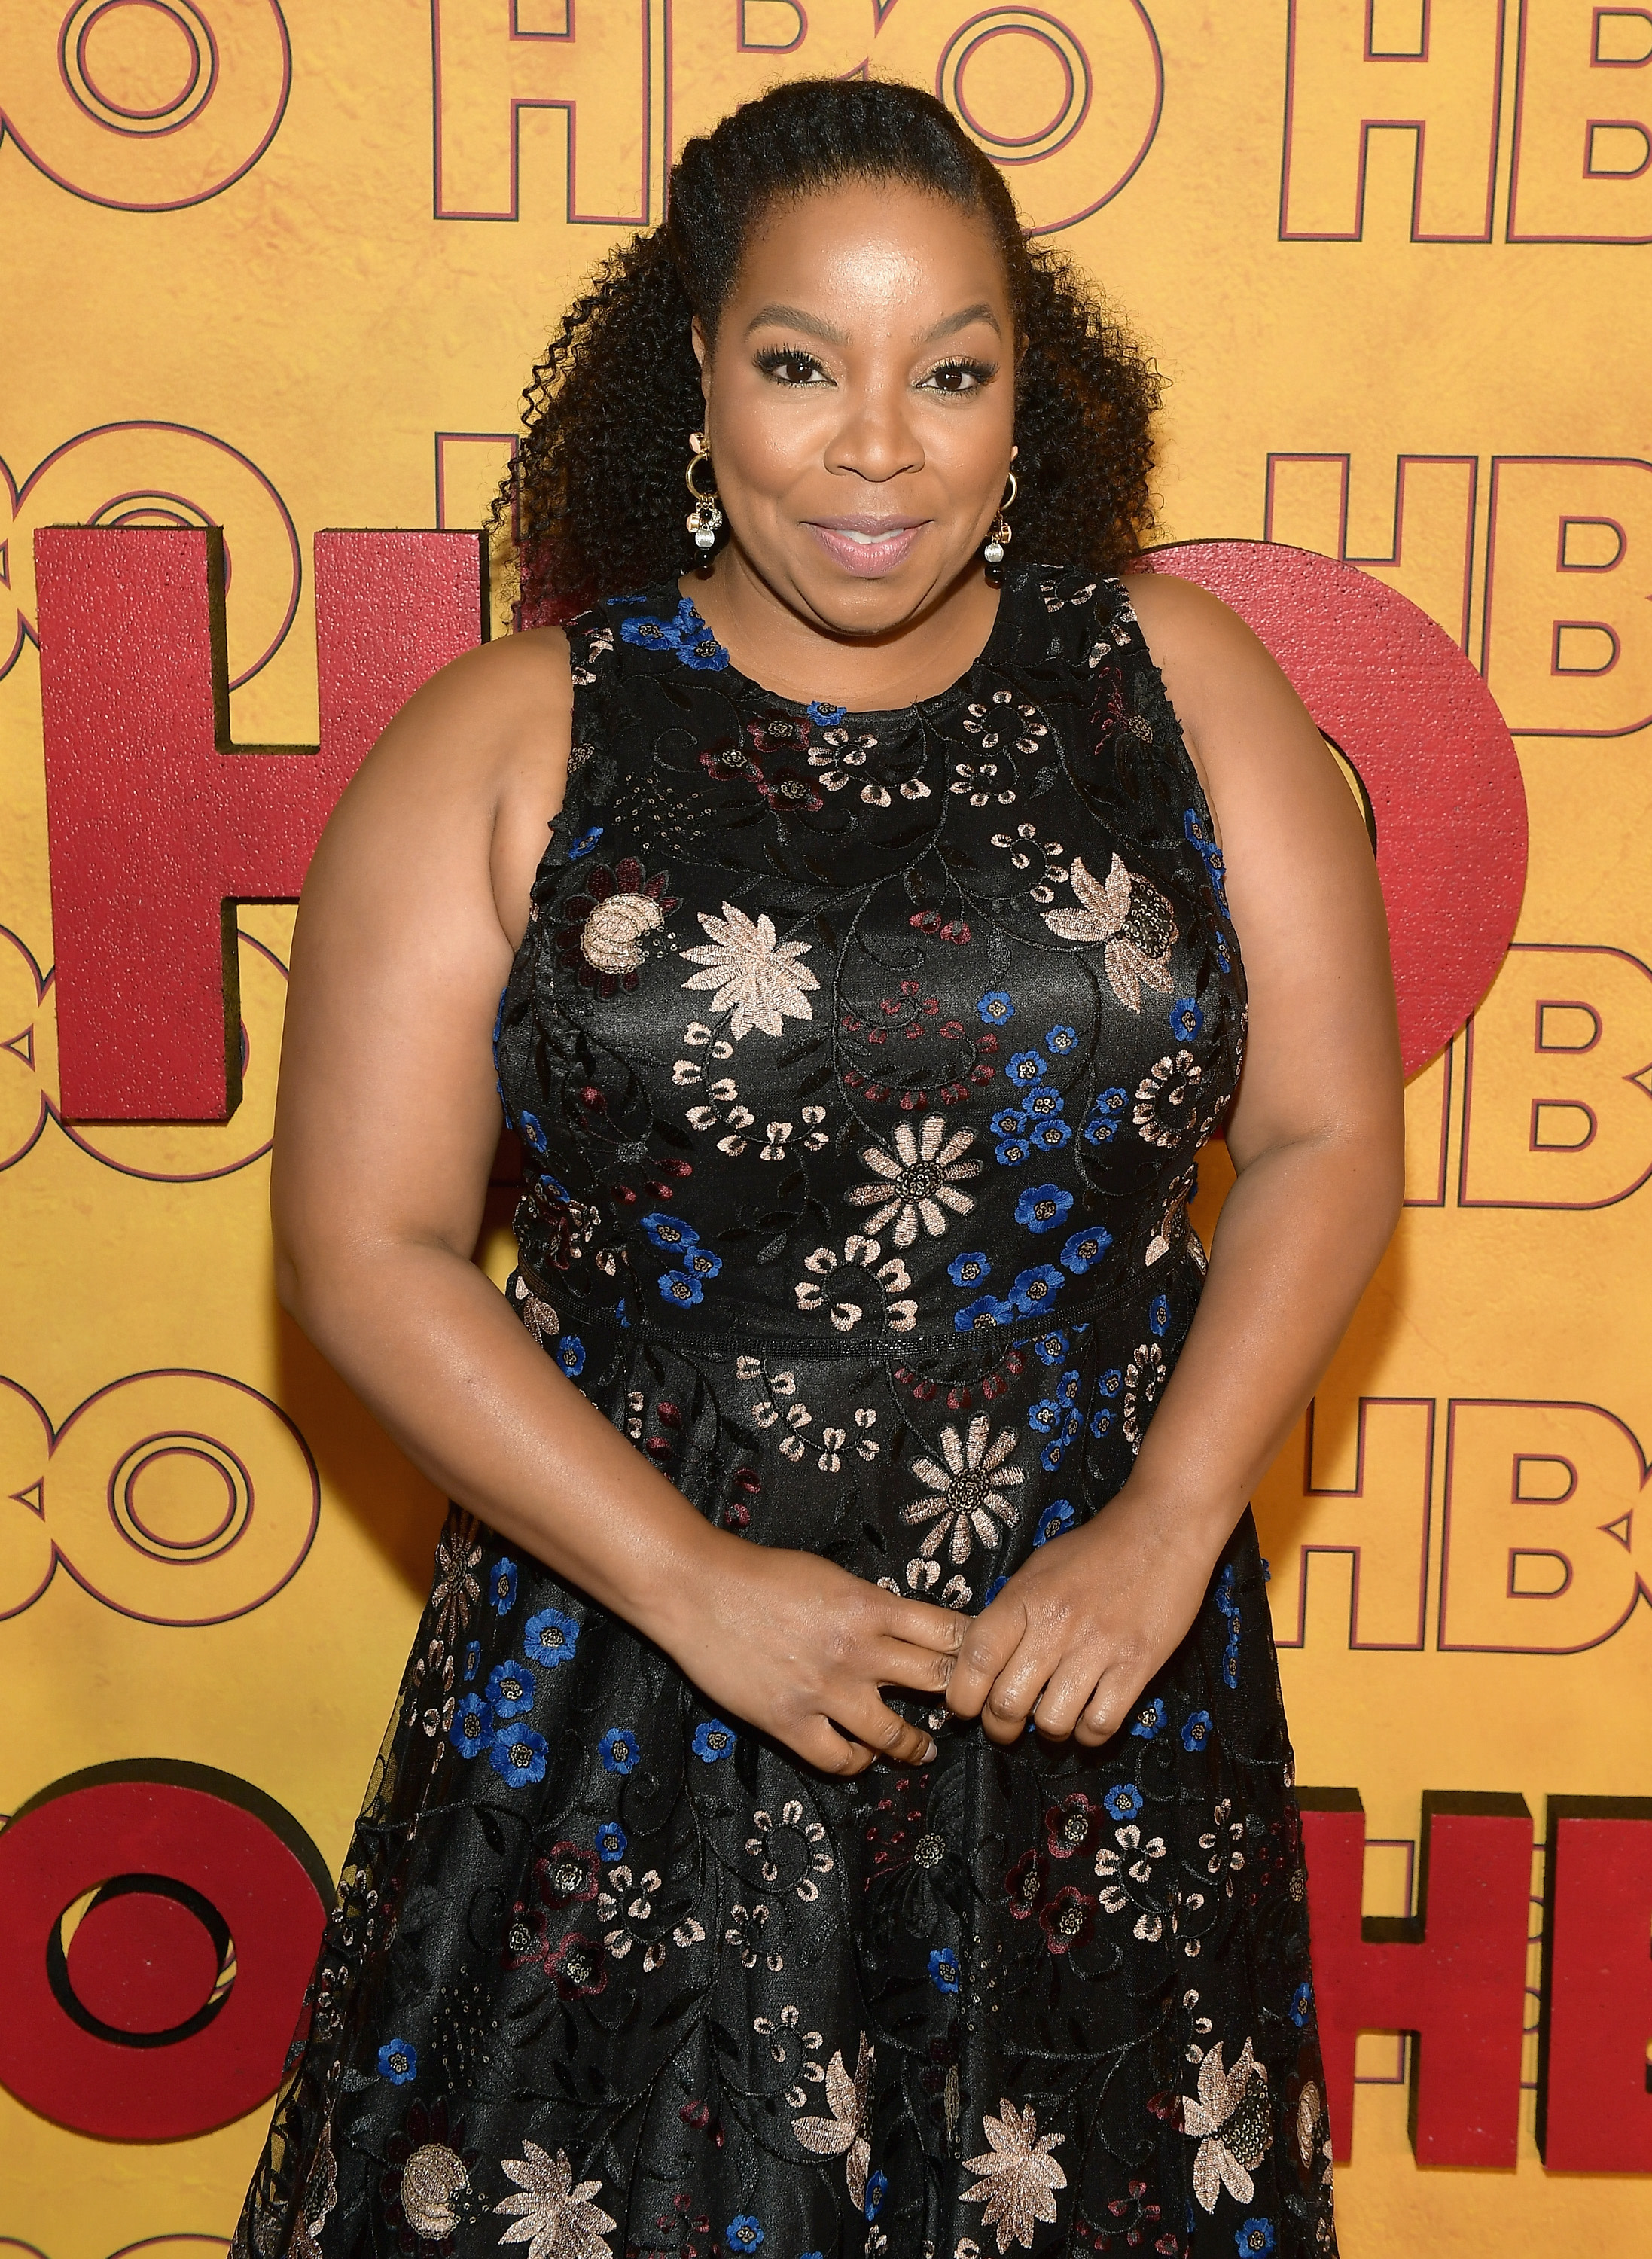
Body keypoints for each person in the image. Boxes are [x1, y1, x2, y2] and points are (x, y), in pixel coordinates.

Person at [237, 75, 1397, 2259]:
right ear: (692, 370)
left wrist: (1165, 1527)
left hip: (1093, 1666)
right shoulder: (509, 740)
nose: (880, 446)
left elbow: (1331, 1131)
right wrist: (693, 1592)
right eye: (801, 365)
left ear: (1019, 395)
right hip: (631, 1663)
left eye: (950, 371)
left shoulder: (1178, 686)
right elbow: (362, 1246)